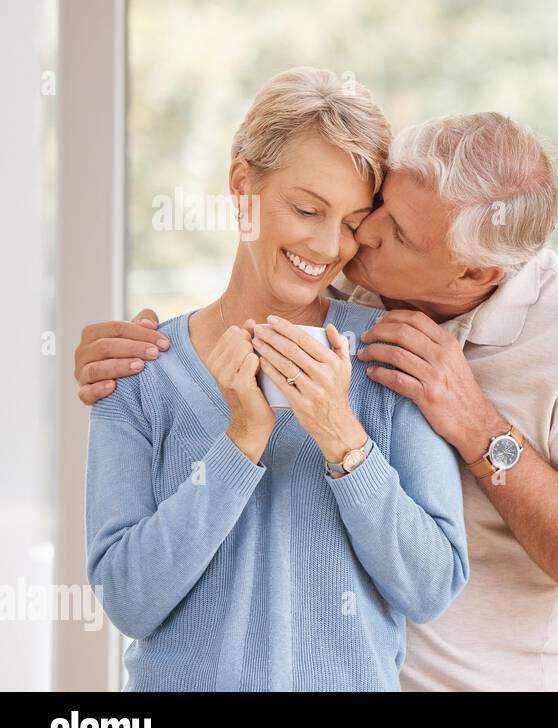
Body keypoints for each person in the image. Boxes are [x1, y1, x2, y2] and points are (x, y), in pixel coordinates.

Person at [77, 110, 558, 692]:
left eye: (393, 231)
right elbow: (263, 279)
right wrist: (128, 359)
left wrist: (477, 426)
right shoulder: (348, 276)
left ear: (473, 273)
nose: (357, 238)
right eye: (375, 206)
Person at [82, 67, 468, 691]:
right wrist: (239, 445)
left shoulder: (390, 357)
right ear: (242, 185)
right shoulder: (139, 376)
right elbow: (128, 600)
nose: (326, 245)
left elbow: (430, 588)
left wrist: (343, 437)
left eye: (351, 221)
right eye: (306, 208)